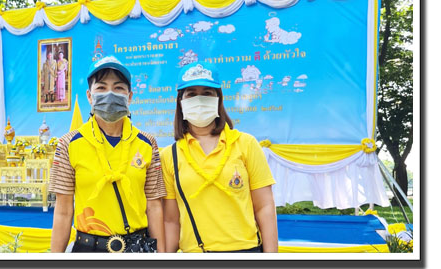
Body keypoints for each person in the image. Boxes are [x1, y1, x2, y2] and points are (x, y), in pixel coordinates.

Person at [49, 55, 166, 253]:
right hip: (88, 249)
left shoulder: (147, 144)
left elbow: (154, 207)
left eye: (119, 88)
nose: (110, 94)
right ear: (89, 96)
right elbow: (63, 211)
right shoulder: (68, 144)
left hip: (137, 248)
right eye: (101, 88)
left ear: (129, 96)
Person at [161, 62, 278, 253]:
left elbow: (264, 207)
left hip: (246, 251)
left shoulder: (246, 143)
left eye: (207, 93)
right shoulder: (169, 156)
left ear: (218, 99)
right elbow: (171, 221)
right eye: (191, 94)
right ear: (180, 102)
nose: (199, 99)